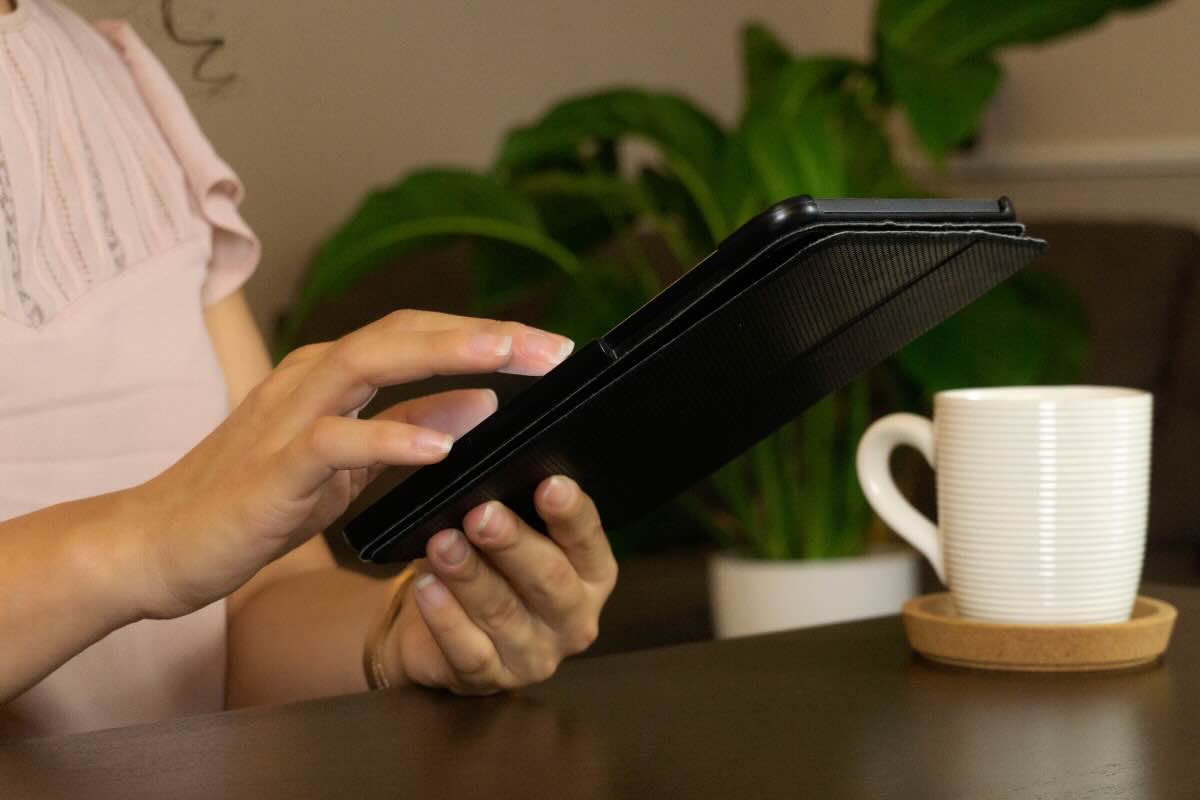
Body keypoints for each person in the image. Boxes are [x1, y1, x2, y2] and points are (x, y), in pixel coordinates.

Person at [0, 0, 617, 738]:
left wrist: (405, 633)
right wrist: (143, 540)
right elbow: (171, 542)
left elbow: (252, 608)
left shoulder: (113, 83)